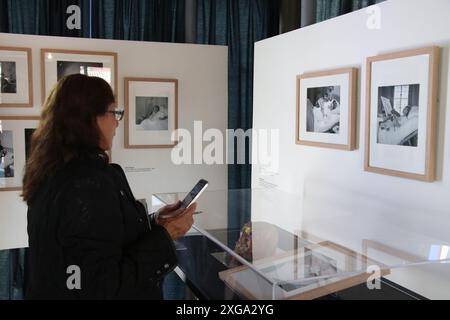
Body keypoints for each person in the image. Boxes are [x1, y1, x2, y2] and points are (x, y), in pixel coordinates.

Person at [22, 74, 196, 300]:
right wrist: (166, 234)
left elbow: (102, 237)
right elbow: (102, 285)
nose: (116, 121)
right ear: (89, 119)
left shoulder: (54, 171)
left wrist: (154, 222)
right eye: (113, 112)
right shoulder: (86, 184)